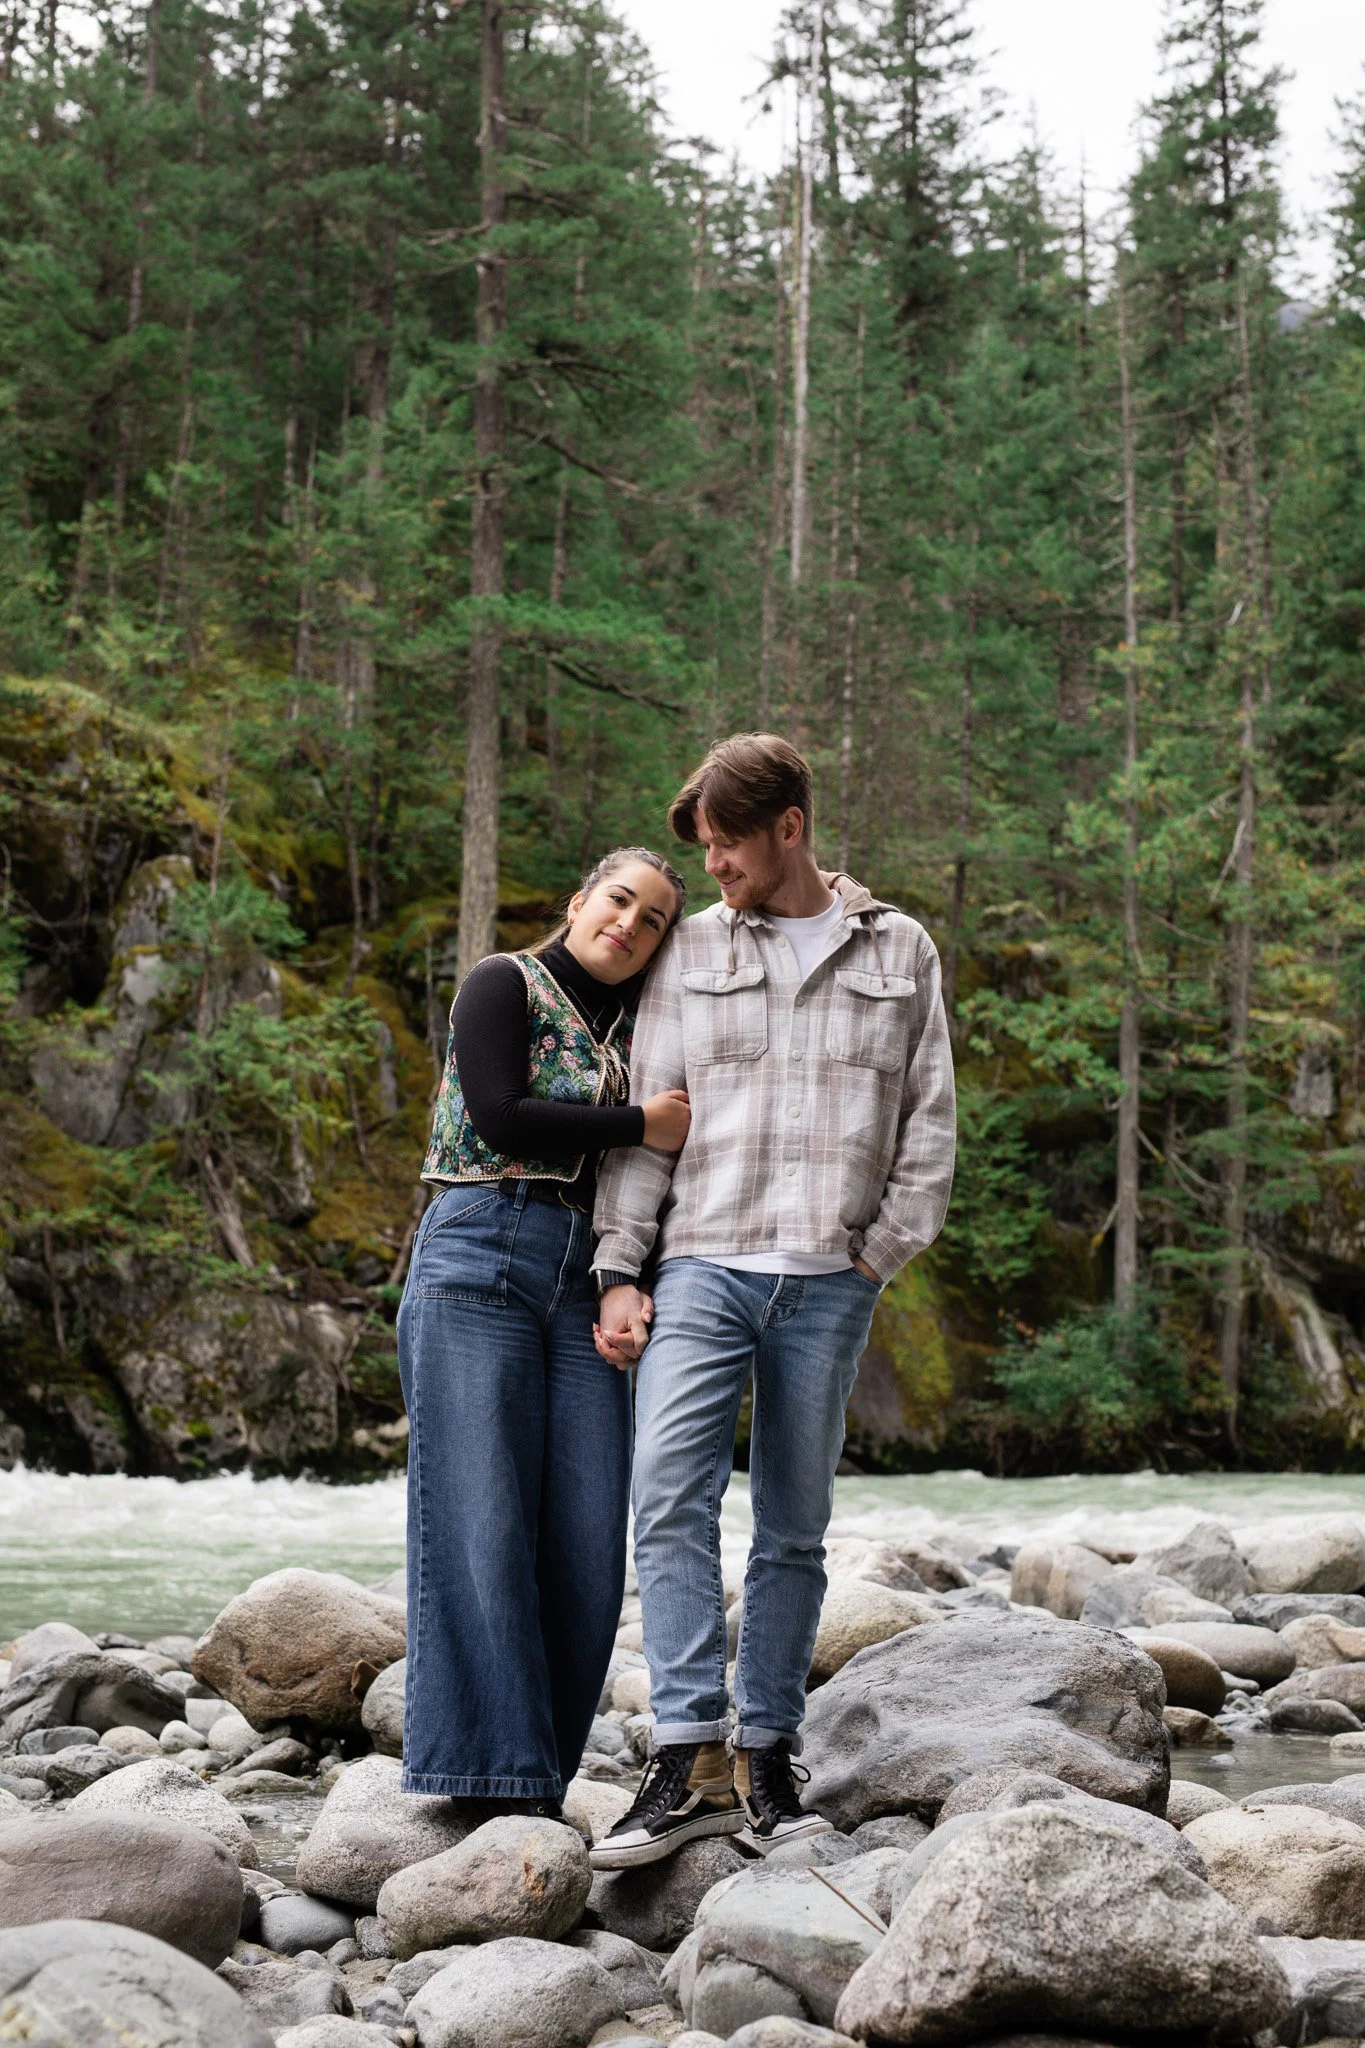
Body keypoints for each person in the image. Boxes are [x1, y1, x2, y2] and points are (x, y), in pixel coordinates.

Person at [587, 734, 956, 1867]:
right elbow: (657, 1119)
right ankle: (687, 1753)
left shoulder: (900, 949)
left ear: (788, 826)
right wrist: (619, 1263)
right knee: (667, 1496)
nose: (714, 870)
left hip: (828, 1280)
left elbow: (930, 1121)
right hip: (702, 1259)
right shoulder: (690, 952)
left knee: (795, 1529)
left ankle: (770, 1754)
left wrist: (877, 1252)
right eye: (703, 848)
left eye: (727, 846)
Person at [397, 846, 689, 1811]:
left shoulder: (650, 1029)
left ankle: (542, 1774)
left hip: (583, 1275)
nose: (631, 925)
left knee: (587, 1532)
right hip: (477, 1248)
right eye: (620, 902)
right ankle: (490, 1778)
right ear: (578, 903)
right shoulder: (503, 982)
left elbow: (654, 1179)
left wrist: (628, 1278)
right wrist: (638, 1123)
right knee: (479, 1517)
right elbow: (500, 1114)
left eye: (652, 921)